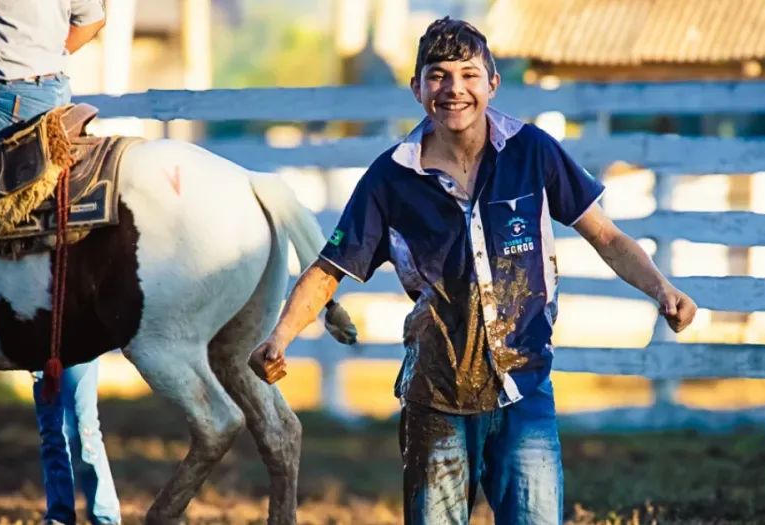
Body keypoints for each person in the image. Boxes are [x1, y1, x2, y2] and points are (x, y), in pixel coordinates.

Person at [250, 17, 697, 525]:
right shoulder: (390, 178)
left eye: (468, 73)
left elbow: (607, 236)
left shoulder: (532, 151)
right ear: (417, 89)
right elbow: (330, 268)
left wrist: (662, 289)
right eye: (438, 75)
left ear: (492, 83)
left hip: (524, 386)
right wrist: (280, 337)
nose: (454, 88)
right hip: (436, 394)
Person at [0, 2, 119, 524]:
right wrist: (44, 56)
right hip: (55, 95)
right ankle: (98, 515)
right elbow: (91, 20)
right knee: (77, 399)